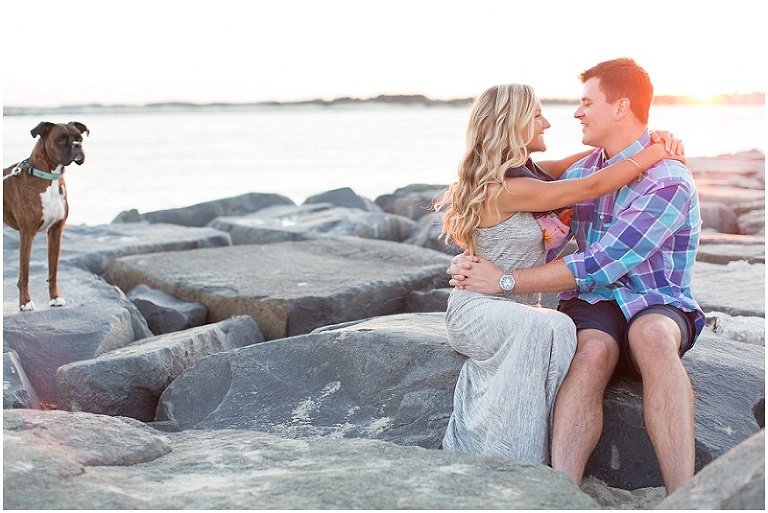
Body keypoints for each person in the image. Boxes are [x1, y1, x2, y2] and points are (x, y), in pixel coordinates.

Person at [447, 58, 704, 494]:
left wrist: (506, 279)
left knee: (653, 339)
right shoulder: (581, 172)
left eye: (586, 102)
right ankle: (563, 490)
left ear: (620, 107)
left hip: (655, 299)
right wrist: (471, 261)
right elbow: (557, 194)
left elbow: (602, 262)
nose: (575, 113)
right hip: (594, 301)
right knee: (589, 351)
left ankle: (686, 495)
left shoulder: (667, 179)